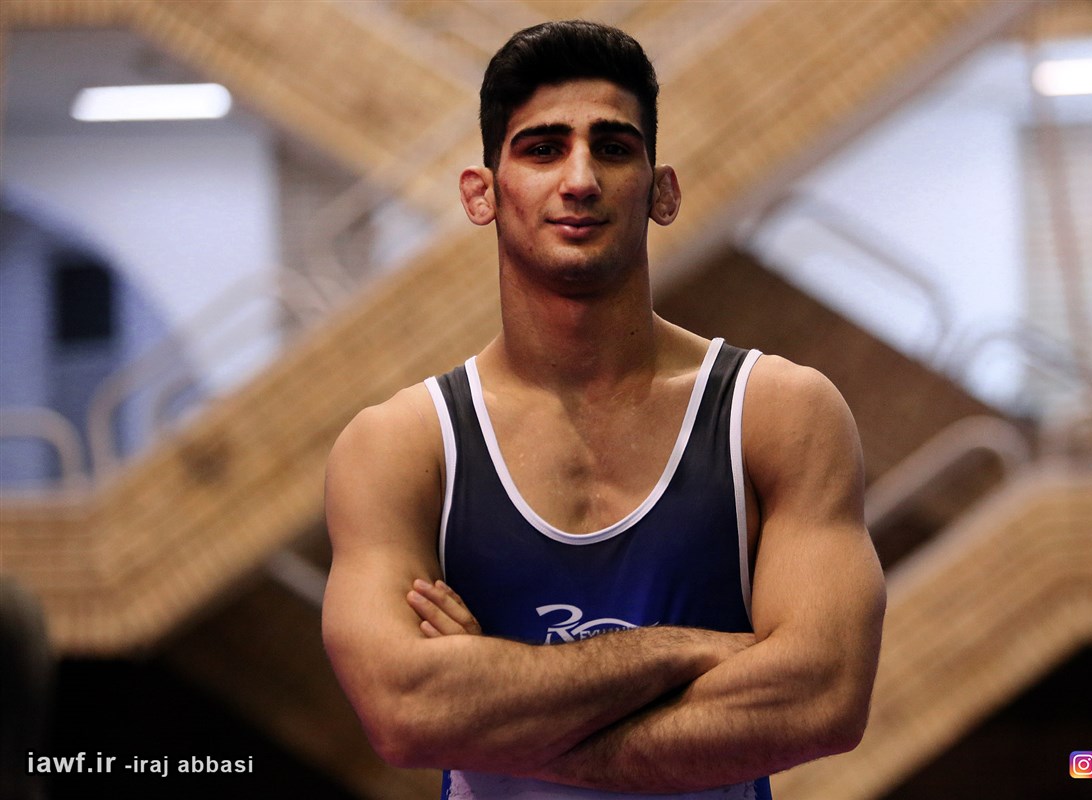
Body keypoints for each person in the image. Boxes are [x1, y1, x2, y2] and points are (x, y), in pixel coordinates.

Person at [322, 19, 885, 800]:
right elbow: (408, 716)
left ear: (662, 191)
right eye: (543, 149)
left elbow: (821, 701)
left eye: (614, 148)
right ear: (481, 193)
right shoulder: (401, 446)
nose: (580, 178)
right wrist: (686, 652)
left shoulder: (780, 414)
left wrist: (497, 718)